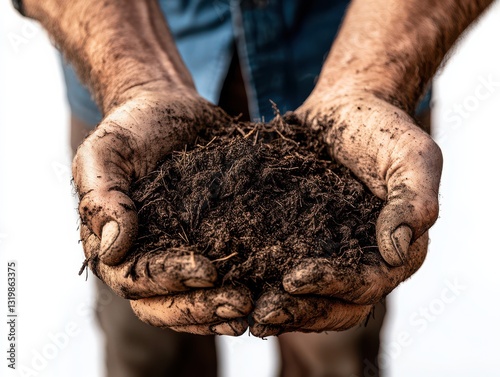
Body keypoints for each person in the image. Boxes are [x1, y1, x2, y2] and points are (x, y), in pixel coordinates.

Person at [13, 0, 491, 375]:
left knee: (334, 350)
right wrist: (137, 81)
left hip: (372, 53)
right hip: (120, 63)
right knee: (150, 344)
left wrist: (371, 83)